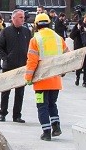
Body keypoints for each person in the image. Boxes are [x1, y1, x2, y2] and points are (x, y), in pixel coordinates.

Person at [27, 11, 68, 140]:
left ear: (36, 25)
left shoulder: (35, 39)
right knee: (52, 104)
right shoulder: (58, 38)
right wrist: (63, 70)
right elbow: (68, 56)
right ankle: (56, 126)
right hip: (55, 80)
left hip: (41, 82)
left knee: (42, 106)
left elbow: (32, 61)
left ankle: (46, 132)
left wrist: (28, 78)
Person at [0, 9, 32, 122]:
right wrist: (6, 58)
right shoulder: (6, 31)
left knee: (20, 93)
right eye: (21, 17)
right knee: (5, 91)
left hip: (22, 67)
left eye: (23, 17)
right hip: (8, 67)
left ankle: (17, 115)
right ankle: (3, 113)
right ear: (13, 18)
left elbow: (30, 48)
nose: (23, 19)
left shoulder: (26, 32)